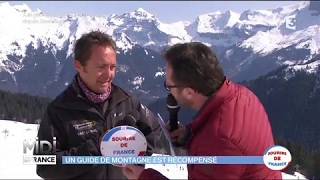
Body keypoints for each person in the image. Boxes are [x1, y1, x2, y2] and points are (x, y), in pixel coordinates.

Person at [122, 42, 282, 179]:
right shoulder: (242, 94)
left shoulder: (220, 140)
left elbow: (221, 141)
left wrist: (144, 176)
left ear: (189, 92)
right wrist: (190, 135)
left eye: (169, 86)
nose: (168, 92)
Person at [34, 30, 164, 179]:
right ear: (79, 66)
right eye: (101, 67)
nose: (109, 74)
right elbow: (44, 164)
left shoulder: (127, 100)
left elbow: (154, 129)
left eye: (112, 67)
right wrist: (95, 149)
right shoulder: (58, 110)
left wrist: (136, 157)